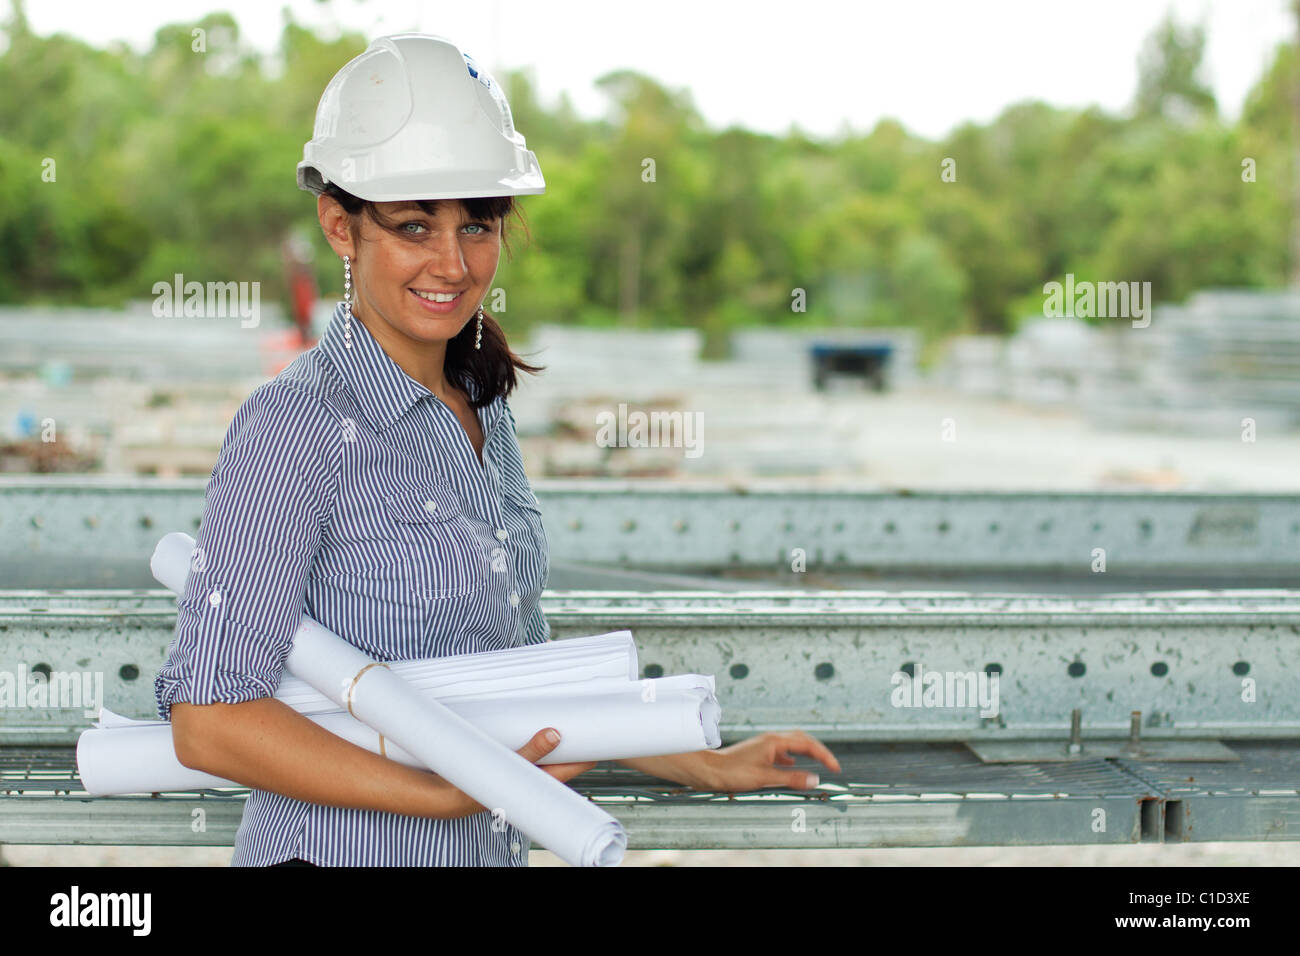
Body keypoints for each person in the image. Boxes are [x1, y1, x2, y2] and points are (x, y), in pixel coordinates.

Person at [154, 33, 840, 867]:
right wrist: (441, 791)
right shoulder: (294, 426)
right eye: (414, 227)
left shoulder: (482, 410)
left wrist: (701, 761)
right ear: (341, 225)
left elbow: (515, 673)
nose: (453, 262)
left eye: (476, 224)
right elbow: (211, 718)